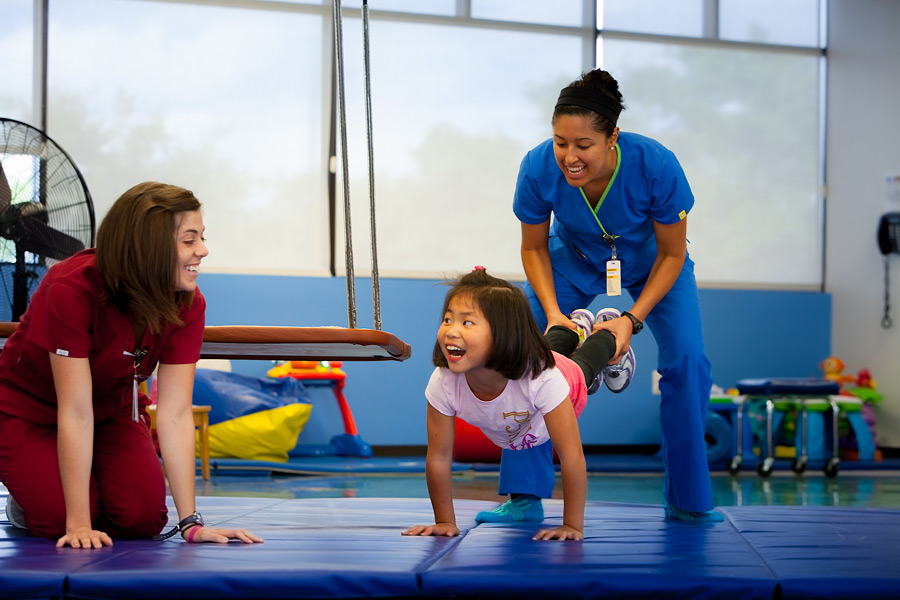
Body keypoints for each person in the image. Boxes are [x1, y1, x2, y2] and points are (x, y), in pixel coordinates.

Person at [0, 182, 264, 548]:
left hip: (109, 411)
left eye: (201, 238)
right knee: (59, 518)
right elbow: (74, 411)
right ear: (149, 248)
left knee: (142, 519)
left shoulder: (186, 302)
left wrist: (190, 523)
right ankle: (29, 501)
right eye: (189, 241)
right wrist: (77, 523)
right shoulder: (71, 288)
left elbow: (174, 413)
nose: (202, 251)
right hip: (27, 411)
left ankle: (84, 482)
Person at [513, 68, 720, 522]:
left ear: (612, 138)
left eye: (583, 145)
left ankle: (689, 500)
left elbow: (671, 254)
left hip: (653, 266)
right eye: (560, 141)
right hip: (571, 261)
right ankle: (523, 497)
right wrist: (551, 313)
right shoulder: (536, 167)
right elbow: (532, 247)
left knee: (688, 363)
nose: (569, 156)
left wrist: (631, 319)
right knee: (531, 358)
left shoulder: (656, 165)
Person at [402, 268, 635, 542]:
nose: (451, 331)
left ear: (503, 333)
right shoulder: (444, 382)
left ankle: (608, 336)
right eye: (448, 319)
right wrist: (444, 521)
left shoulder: (543, 379)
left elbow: (571, 455)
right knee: (547, 347)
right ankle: (571, 329)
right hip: (530, 365)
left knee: (582, 367)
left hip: (565, 383)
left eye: (467, 323)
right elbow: (439, 457)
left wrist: (571, 525)